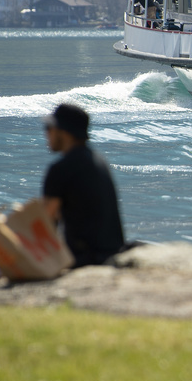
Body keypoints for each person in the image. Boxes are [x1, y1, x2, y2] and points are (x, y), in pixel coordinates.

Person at [42, 104, 126, 268]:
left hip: (85, 260)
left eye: (49, 128)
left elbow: (45, 224)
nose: (46, 133)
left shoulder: (61, 169)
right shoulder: (99, 161)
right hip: (113, 255)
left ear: (64, 132)